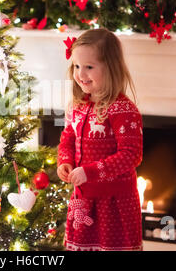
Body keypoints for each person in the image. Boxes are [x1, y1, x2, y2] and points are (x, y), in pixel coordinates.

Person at [57, 28, 143, 251]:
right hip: (84, 200)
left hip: (114, 204)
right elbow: (68, 136)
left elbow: (131, 155)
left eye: (89, 67)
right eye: (77, 66)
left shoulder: (122, 109)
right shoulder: (79, 105)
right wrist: (64, 161)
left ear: (110, 67)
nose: (80, 74)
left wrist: (91, 171)